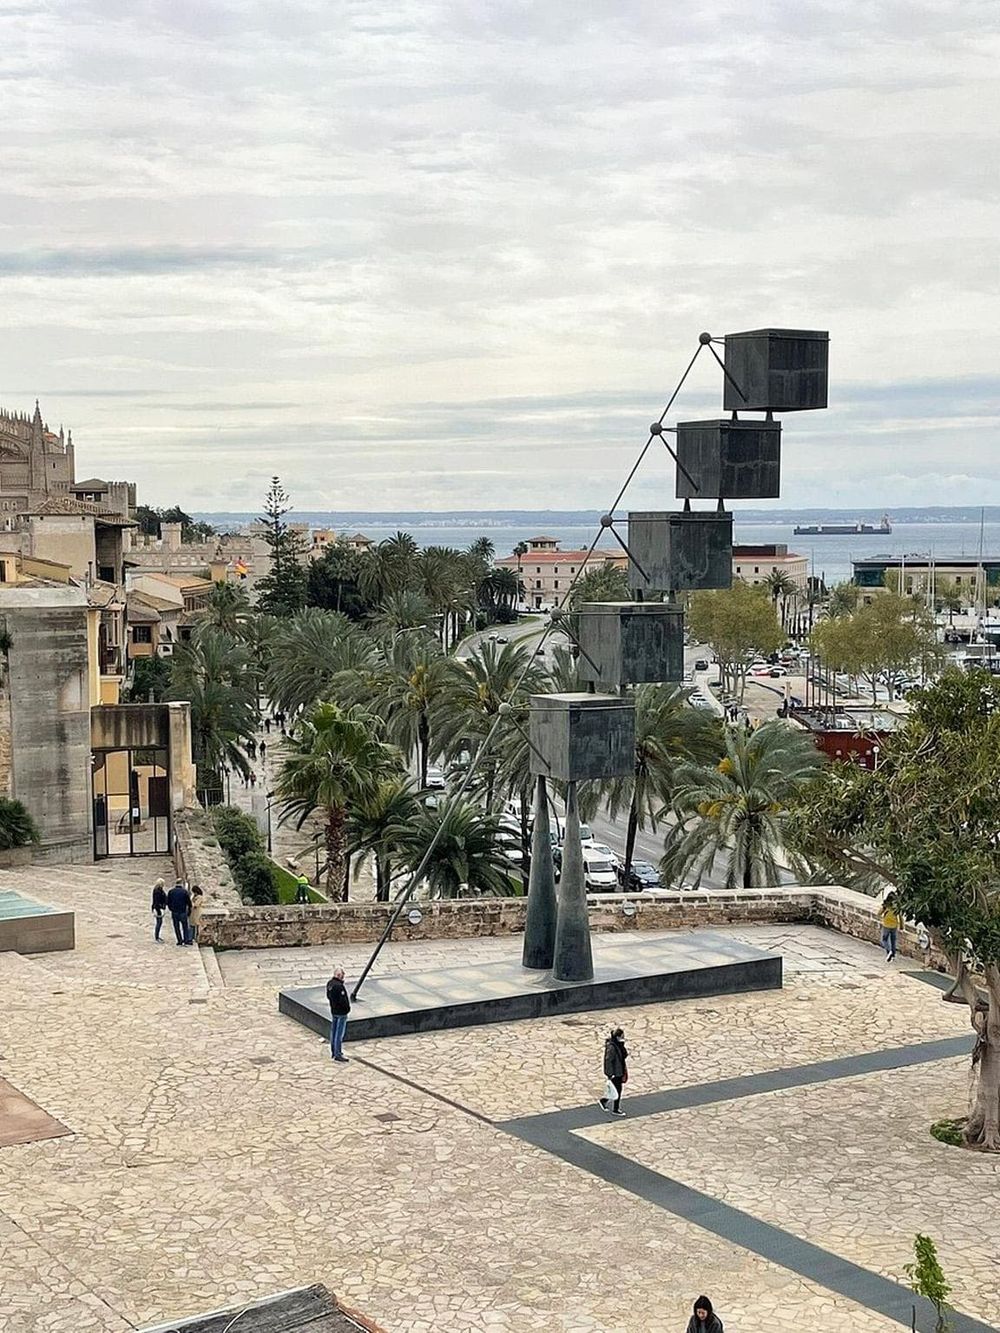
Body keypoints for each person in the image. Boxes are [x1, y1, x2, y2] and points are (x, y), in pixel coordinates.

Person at [598, 1026, 628, 1116]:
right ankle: (615, 1108)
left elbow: (624, 1055)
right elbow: (608, 1061)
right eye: (622, 1036)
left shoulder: (618, 1045)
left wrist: (622, 1045)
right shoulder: (612, 1047)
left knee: (615, 1090)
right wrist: (610, 1074)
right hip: (615, 1073)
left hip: (619, 1071)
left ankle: (605, 1101)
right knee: (617, 1090)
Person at [326, 967, 351, 1062]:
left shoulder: (330, 984)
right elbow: (343, 1000)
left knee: (334, 1032)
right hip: (341, 1012)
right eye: (342, 976)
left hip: (334, 1010)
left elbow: (328, 996)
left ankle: (333, 1051)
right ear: (339, 975)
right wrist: (347, 1009)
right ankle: (338, 1053)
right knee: (339, 1034)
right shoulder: (339, 986)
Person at [166, 880, 192, 947]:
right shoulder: (184, 892)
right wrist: (189, 911)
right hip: (182, 912)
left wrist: (171, 909)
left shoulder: (171, 891)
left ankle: (179, 940)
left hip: (174, 912)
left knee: (176, 927)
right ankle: (186, 940)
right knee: (185, 927)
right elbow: (189, 903)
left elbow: (168, 902)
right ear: (181, 884)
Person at [880, 894, 901, 962]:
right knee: (893, 941)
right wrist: (902, 926)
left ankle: (889, 951)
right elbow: (900, 917)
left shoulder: (885, 906)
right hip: (894, 926)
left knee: (884, 940)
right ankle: (893, 955)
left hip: (886, 925)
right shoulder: (896, 907)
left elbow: (878, 913)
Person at [151, 878, 168, 942]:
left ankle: (157, 936)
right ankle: (157, 936)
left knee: (159, 922)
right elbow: (157, 901)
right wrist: (160, 910)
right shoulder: (158, 891)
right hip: (158, 909)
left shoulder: (157, 890)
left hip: (157, 908)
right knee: (159, 923)